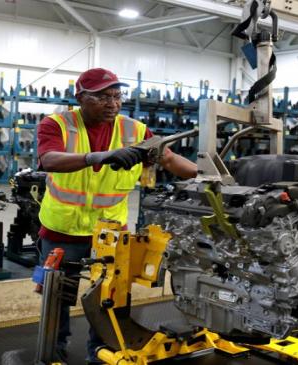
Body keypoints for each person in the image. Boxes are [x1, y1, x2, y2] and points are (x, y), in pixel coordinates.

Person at [36, 68, 197, 363]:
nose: (112, 103)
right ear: (81, 98)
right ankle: (53, 351)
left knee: (112, 299)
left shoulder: (134, 131)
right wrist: (96, 157)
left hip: (110, 233)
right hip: (62, 232)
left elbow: (175, 162)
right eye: (101, 97)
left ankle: (103, 351)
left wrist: (202, 174)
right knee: (58, 297)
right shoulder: (57, 124)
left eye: (116, 96)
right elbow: (48, 160)